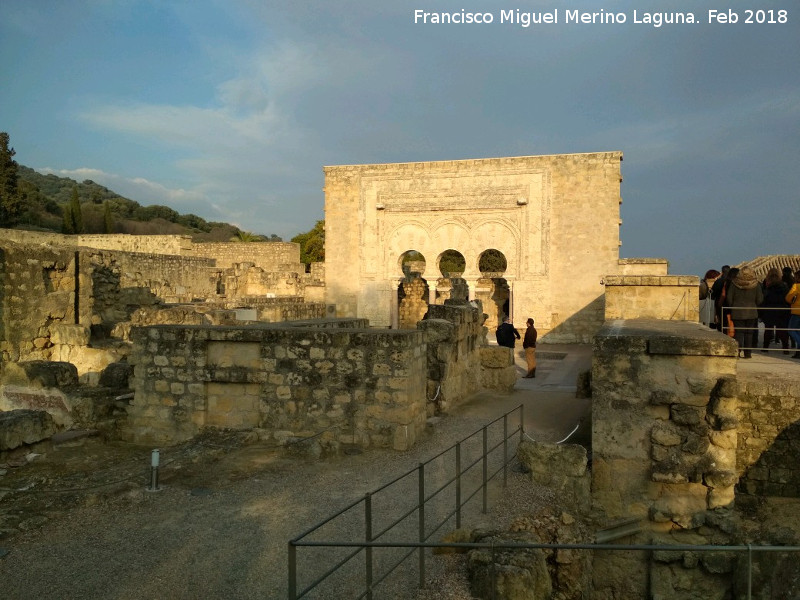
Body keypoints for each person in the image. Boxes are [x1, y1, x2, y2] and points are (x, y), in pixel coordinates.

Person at [725, 267, 763, 358]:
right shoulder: (756, 285)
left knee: (738, 332)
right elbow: (760, 299)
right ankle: (748, 353)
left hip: (737, 311)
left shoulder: (734, 284)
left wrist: (733, 306)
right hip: (751, 312)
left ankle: (737, 352)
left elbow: (729, 298)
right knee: (749, 333)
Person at [759, 268, 789, 353]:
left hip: (769, 309)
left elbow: (764, 297)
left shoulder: (766, 284)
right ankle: (785, 348)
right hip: (782, 309)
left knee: (768, 329)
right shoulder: (784, 285)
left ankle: (765, 347)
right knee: (782, 330)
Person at [710, 265, 730, 330]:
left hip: (719, 303)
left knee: (721, 321)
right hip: (729, 303)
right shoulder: (732, 281)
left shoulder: (718, 281)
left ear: (722, 272)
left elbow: (713, 293)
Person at [787, 276, 800, 359]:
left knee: (791, 329)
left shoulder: (796, 286)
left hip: (797, 312)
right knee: (798, 332)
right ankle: (798, 353)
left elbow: (788, 298)